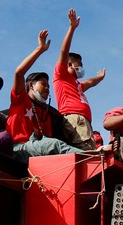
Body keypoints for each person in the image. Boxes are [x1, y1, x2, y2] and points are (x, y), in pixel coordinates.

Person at [7, 30, 80, 159]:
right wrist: (40, 50)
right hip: (17, 148)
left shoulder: (46, 112)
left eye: (48, 85)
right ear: (31, 86)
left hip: (35, 151)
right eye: (42, 84)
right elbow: (19, 73)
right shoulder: (20, 98)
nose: (47, 87)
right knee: (55, 145)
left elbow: (45, 140)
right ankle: (93, 156)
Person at [53, 8, 106, 149]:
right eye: (80, 64)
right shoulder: (61, 75)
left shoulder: (76, 85)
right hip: (75, 119)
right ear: (70, 64)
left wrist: (99, 78)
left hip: (82, 121)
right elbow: (64, 52)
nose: (82, 68)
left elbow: (89, 82)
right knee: (87, 151)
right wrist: (72, 28)